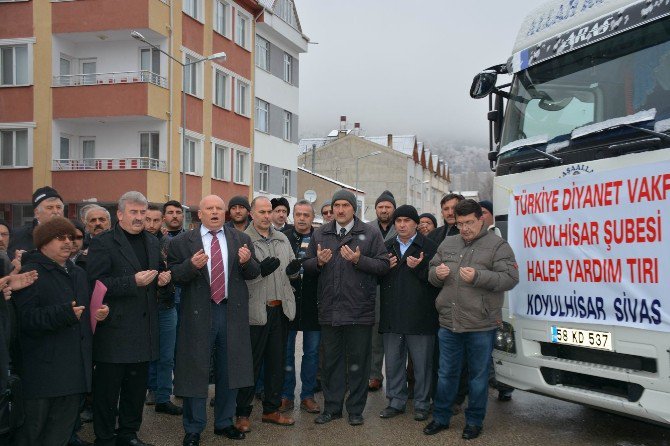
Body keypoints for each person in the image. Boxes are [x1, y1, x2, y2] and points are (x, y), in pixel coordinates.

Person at [167, 195, 260, 446]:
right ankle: (194, 428)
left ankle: (224, 423)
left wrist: (246, 261)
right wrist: (190, 266)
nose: (216, 212)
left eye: (220, 208)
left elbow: (254, 272)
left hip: (230, 312)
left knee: (230, 369)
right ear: (200, 214)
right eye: (210, 208)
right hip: (198, 312)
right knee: (195, 370)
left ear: (225, 213)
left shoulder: (241, 239)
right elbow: (173, 276)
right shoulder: (182, 242)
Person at [424, 199, 519, 440]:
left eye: (469, 223)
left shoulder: (498, 246)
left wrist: (479, 276)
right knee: (446, 374)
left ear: (481, 220)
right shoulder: (448, 242)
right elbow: (432, 272)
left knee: (478, 378)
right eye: (460, 223)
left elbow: (510, 278)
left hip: (481, 324)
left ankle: (474, 421)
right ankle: (441, 418)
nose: (464, 228)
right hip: (449, 322)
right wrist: (437, 273)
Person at [13, 217, 109, 446]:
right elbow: (25, 320)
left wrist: (97, 314)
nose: (68, 242)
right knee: (33, 435)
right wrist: (63, 314)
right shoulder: (31, 273)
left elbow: (81, 313)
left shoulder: (77, 274)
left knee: (60, 435)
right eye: (60, 238)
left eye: (71, 237)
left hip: (74, 373)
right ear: (43, 243)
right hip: (42, 376)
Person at [87, 191, 171, 446]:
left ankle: (128, 434)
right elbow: (95, 283)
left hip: (144, 328)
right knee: (107, 391)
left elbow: (156, 275)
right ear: (120, 214)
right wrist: (131, 282)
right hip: (114, 329)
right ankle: (104, 437)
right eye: (133, 212)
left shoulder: (153, 241)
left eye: (142, 213)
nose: (138, 218)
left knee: (136, 389)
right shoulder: (103, 243)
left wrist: (163, 280)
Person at [304, 189, 390, 426]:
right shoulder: (321, 233)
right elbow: (307, 266)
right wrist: (318, 262)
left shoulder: (369, 233)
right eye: (336, 205)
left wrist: (358, 260)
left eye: (345, 205)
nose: (340, 210)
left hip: (359, 312)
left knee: (358, 364)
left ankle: (355, 410)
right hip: (330, 311)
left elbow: (384, 266)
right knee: (331, 362)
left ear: (354, 209)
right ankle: (332, 408)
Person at [235, 197, 299, 430]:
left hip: (279, 309)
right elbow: (238, 275)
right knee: (250, 365)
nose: (266, 215)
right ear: (251, 214)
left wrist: (293, 273)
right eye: (261, 211)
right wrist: (259, 271)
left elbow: (292, 272)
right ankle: (242, 413)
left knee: (276, 363)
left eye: (268, 211)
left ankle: (271, 410)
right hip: (254, 311)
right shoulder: (243, 240)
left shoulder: (282, 238)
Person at [378, 205, 439, 422]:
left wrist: (420, 269)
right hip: (393, 316)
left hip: (421, 316)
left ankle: (422, 404)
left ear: (416, 223)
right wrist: (383, 268)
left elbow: (438, 281)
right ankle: (395, 401)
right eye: (398, 221)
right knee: (393, 363)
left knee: (422, 365)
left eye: (407, 220)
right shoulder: (386, 247)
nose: (402, 224)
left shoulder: (430, 247)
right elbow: (375, 277)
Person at [279, 200, 321, 415]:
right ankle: (286, 395)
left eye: (306, 214)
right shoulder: (283, 236)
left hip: (313, 303)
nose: (302, 218)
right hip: (288, 302)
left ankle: (307, 395)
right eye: (299, 214)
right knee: (286, 352)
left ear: (312, 217)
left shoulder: (320, 237)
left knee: (312, 352)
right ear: (292, 215)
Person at [144, 206, 182, 416]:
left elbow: (178, 268)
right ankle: (151, 389)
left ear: (162, 222)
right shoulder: (137, 242)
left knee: (167, 354)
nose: (151, 224)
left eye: (155, 220)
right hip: (143, 306)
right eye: (147, 219)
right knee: (148, 352)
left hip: (167, 303)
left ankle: (163, 397)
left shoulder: (171, 243)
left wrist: (169, 275)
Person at [478, 200, 514, 402]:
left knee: (501, 343)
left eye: (484, 213)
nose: (481, 217)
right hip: (478, 303)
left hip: (498, 300)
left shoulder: (499, 238)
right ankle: (492, 381)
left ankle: (505, 385)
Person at [368, 190, 397, 392]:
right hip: (375, 287)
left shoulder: (403, 226)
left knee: (395, 339)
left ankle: (397, 379)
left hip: (397, 288)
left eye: (388, 207)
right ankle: (374, 375)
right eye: (381, 206)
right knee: (375, 337)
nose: (384, 210)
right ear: (376, 208)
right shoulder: (367, 229)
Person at [8, 186, 65, 259]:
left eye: (58, 207)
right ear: (37, 212)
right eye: (50, 207)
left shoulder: (73, 234)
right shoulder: (17, 236)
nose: (56, 211)